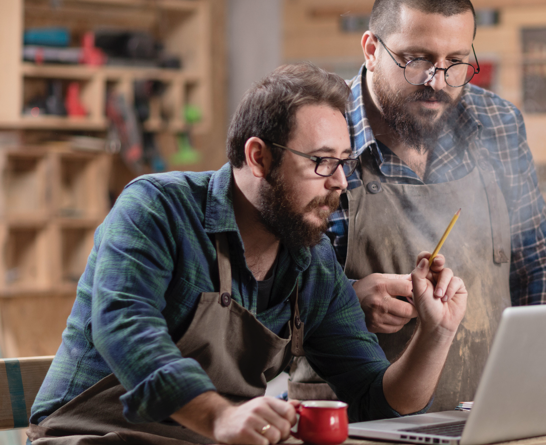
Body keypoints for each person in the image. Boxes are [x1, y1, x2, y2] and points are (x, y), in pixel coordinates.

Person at [29, 63, 467, 445]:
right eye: (320, 162)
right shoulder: (155, 208)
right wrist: (221, 418)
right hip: (89, 438)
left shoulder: (311, 265)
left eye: (344, 162)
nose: (339, 183)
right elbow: (124, 329)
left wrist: (436, 333)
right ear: (258, 157)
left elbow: (377, 398)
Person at [287, 0, 546, 410]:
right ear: (371, 49)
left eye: (455, 62)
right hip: (352, 422)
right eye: (416, 60)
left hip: (485, 416)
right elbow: (269, 288)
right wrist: (346, 300)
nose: (436, 81)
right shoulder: (318, 134)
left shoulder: (496, 124)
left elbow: (537, 262)